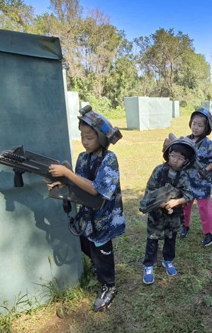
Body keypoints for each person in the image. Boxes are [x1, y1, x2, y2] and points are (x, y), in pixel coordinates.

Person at [48, 105, 125, 312]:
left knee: (102, 250)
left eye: (89, 137)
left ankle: (109, 285)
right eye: (82, 136)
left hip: (103, 217)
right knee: (86, 243)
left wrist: (67, 173)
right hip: (87, 216)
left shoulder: (109, 159)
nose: (84, 141)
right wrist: (63, 184)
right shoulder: (83, 158)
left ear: (101, 138)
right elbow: (81, 182)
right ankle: (98, 267)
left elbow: (96, 189)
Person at [139, 134, 195, 284]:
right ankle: (148, 265)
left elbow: (189, 195)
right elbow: (150, 189)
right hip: (156, 214)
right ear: (168, 154)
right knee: (152, 240)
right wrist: (160, 201)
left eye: (180, 158)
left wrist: (176, 202)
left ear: (186, 161)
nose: (175, 160)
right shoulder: (159, 170)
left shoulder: (184, 176)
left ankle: (168, 260)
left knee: (171, 239)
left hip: (174, 216)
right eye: (173, 156)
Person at [180, 107, 212, 246]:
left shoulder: (208, 144)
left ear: (206, 127)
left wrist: (204, 171)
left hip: (203, 184)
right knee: (185, 205)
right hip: (187, 182)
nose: (195, 127)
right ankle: (184, 226)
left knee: (204, 208)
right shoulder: (185, 140)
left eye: (200, 125)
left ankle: (210, 233)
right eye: (194, 124)